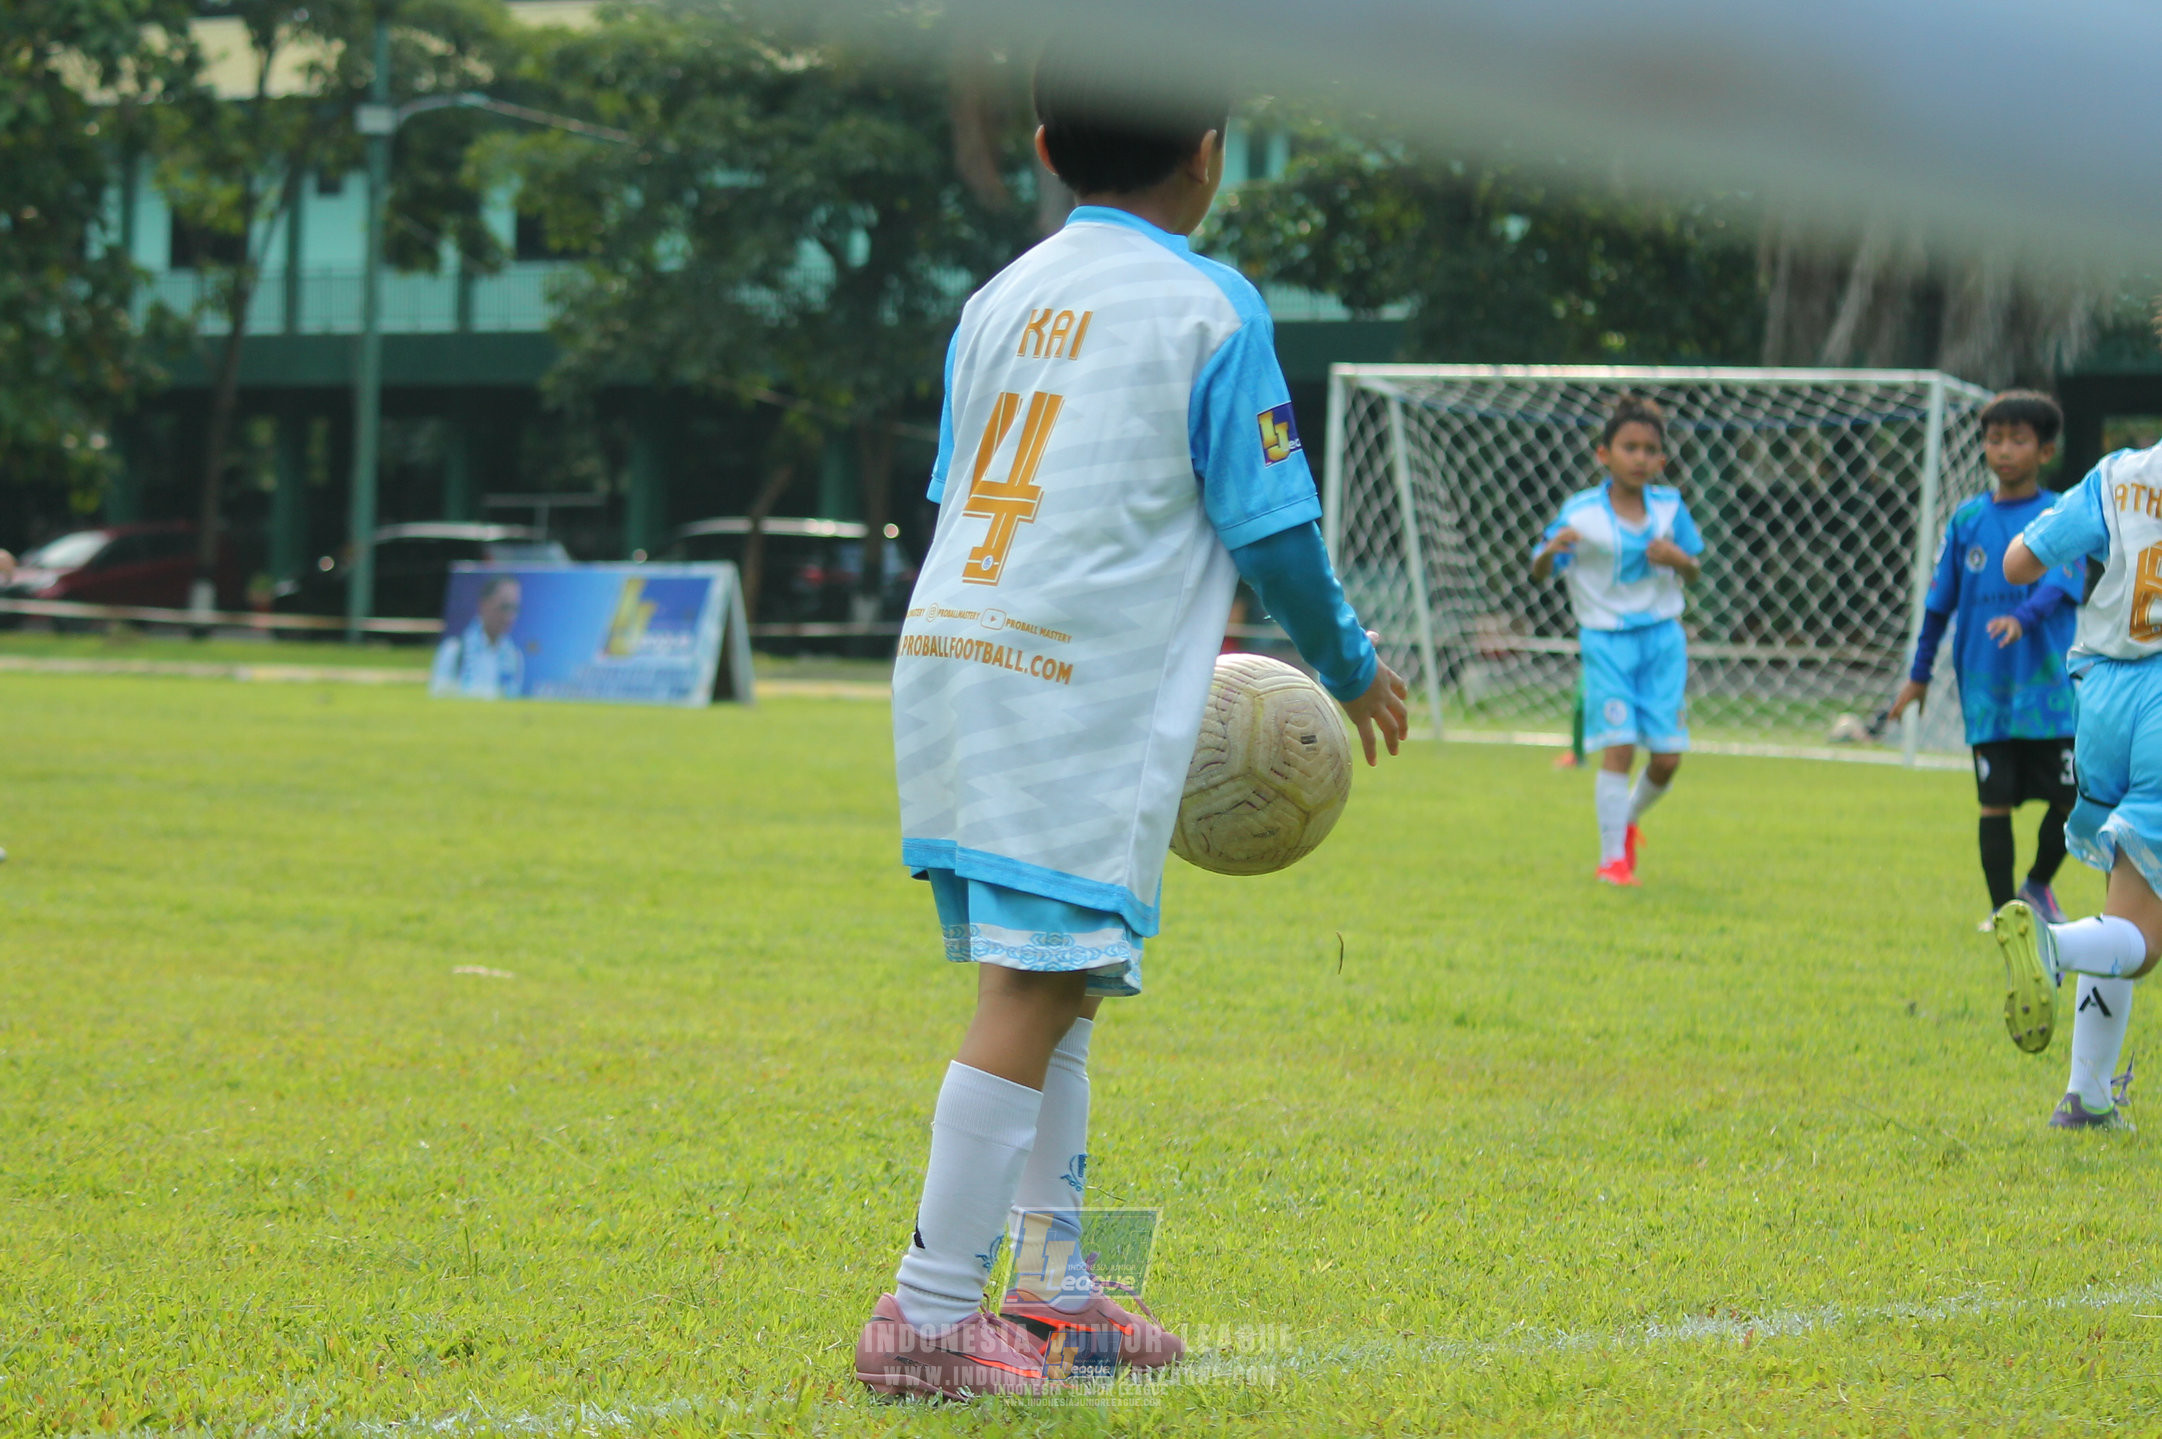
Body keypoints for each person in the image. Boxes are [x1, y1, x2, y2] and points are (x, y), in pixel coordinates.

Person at [855, 52, 1409, 1400]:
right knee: (1034, 985)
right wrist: (1347, 661)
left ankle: (1055, 1287)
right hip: (1067, 679)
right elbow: (1269, 521)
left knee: (1066, 983)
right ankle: (925, 1314)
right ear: (1211, 153)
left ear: (1043, 148)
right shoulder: (1205, 305)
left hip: (957, 654)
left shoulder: (997, 296)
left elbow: (958, 486)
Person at [1990, 432, 2162, 1130]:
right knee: (2141, 940)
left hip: (2103, 696)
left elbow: (2020, 559)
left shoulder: (2119, 473)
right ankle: (2053, 944)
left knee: (2123, 904)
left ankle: (2086, 1098)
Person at [1889, 391, 2084, 923]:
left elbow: (2064, 584)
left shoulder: (2059, 513)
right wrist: (1918, 676)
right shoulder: (1967, 520)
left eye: (2018, 439)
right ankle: (2004, 913)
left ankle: (2038, 885)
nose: (2003, 450)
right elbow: (1937, 603)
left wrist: (2021, 618)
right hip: (1988, 692)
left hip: (2050, 694)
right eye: (1994, 438)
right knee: (1992, 802)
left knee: (2072, 800)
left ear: (2045, 451)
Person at [1531, 394, 1705, 885]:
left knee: (1667, 760)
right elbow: (1541, 568)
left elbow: (1693, 571)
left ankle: (1626, 820)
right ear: (1604, 455)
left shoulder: (1671, 507)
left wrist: (1680, 561)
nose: (1641, 457)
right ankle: (1612, 860)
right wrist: (1550, 551)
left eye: (1650, 449)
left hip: (1663, 643)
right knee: (1620, 748)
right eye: (1630, 447)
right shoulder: (1581, 513)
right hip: (1606, 642)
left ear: (1662, 461)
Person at [429, 575, 524, 699]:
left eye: (515, 608)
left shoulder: (514, 656)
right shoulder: (455, 650)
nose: (510, 616)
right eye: (504, 607)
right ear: (484, 605)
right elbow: (438, 696)